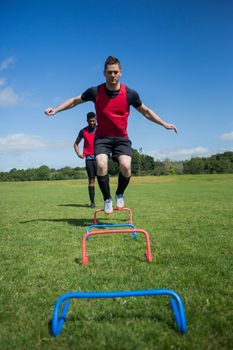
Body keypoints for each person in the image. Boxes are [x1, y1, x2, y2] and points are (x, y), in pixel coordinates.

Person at [44, 56, 177, 214]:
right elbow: (74, 101)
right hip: (102, 138)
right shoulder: (95, 92)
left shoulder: (130, 94)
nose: (113, 75)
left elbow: (146, 112)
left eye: (115, 72)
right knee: (101, 164)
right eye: (109, 72)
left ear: (120, 73)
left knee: (126, 167)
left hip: (121, 138)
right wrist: (56, 110)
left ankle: (119, 193)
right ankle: (107, 199)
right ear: (104, 73)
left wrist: (164, 123)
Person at [74, 112, 97, 208]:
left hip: (100, 157)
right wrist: (79, 154)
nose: (91, 123)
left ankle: (107, 201)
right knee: (91, 180)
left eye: (93, 121)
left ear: (96, 119)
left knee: (103, 179)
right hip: (89, 159)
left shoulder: (101, 129)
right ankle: (92, 202)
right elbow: (76, 144)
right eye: (90, 121)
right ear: (87, 121)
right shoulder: (83, 131)